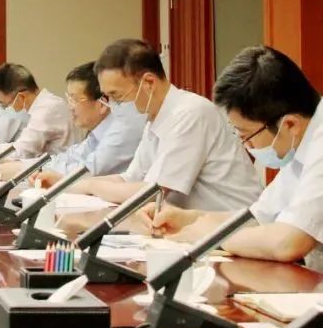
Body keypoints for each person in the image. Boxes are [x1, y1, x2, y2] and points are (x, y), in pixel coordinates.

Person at [143, 46, 323, 268]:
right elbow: (258, 218)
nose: (246, 146)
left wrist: (208, 235)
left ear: (290, 124)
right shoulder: (301, 143)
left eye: (246, 135)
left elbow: (287, 243)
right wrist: (188, 219)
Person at [67, 39, 261, 211]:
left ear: (149, 83)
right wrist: (71, 186)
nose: (112, 105)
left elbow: (153, 192)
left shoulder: (190, 113)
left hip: (230, 228)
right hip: (192, 227)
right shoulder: (154, 118)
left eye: (116, 95)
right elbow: (130, 179)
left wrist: (91, 186)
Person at [11, 62, 145, 184]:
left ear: (102, 104)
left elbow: (86, 171)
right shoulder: (96, 134)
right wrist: (26, 166)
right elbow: (69, 157)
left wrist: (24, 169)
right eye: (69, 98)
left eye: (75, 100)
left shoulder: (122, 131)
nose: (70, 107)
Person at [0, 63, 80, 159]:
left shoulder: (46, 109)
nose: (6, 109)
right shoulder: (44, 104)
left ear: (21, 96)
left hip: (60, 166)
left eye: (5, 104)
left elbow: (23, 151)